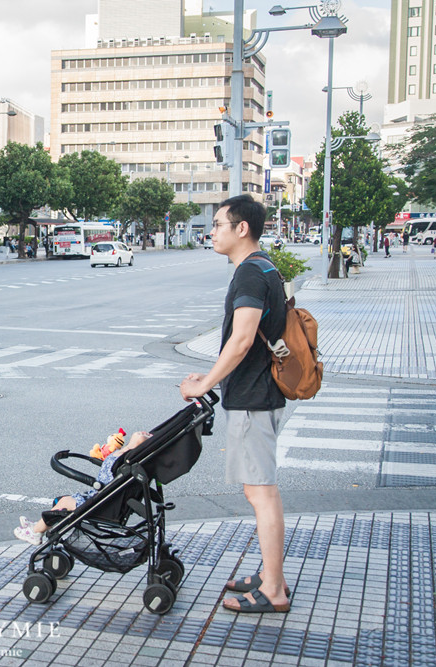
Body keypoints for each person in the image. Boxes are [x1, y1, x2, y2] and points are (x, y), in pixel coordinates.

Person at [179, 194, 291, 615]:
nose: (212, 231)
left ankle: (274, 589)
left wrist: (205, 382)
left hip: (254, 399)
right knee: (258, 490)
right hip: (258, 395)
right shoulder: (263, 267)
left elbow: (242, 340)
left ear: (241, 228)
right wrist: (209, 378)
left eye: (219, 224)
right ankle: (269, 575)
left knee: (262, 494)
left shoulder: (249, 273)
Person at [14, 430, 151, 545]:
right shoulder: (125, 455)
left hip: (103, 501)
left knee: (65, 503)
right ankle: (39, 526)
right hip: (103, 496)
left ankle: (36, 532)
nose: (144, 432)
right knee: (62, 502)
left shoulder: (127, 458)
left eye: (145, 435)